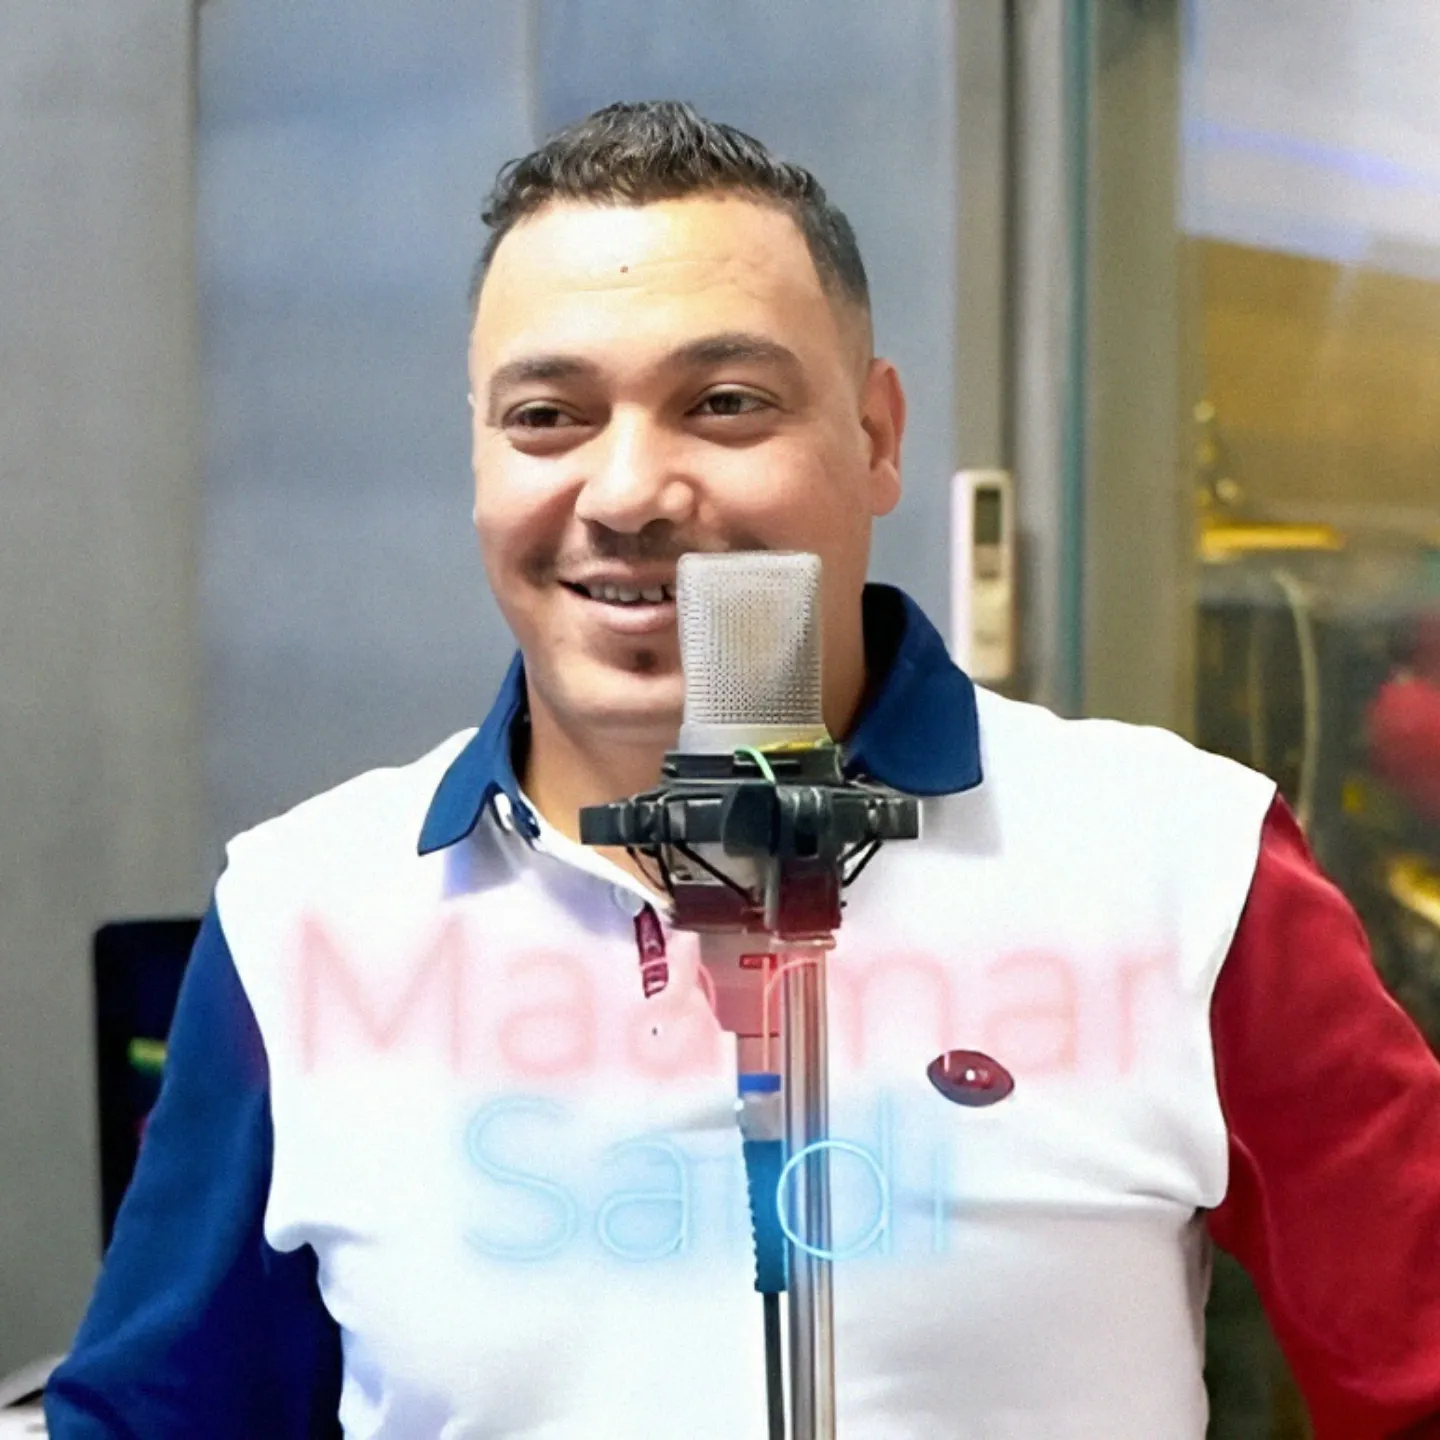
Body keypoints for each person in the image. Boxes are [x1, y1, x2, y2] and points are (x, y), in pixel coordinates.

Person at [46, 100, 1440, 1439]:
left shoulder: (1181, 868)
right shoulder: (302, 916)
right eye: (548, 416)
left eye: (723, 403)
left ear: (876, 437)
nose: (628, 494)